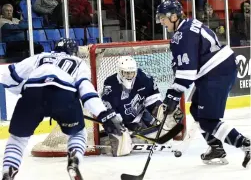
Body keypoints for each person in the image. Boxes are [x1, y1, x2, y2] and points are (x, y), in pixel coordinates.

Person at [0, 38, 124, 180]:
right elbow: (86, 90)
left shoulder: (39, 57)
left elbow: (7, 78)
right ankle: (73, 162)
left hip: (32, 93)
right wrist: (103, 113)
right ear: (73, 52)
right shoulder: (78, 62)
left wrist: (25, 90)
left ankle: (8, 171)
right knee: (78, 134)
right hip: (64, 95)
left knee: (17, 139)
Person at [156, 0, 250, 167]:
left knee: (208, 120)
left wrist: (172, 96)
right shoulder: (189, 24)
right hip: (217, 68)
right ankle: (216, 148)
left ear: (174, 16)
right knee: (196, 110)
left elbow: (187, 74)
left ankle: (246, 145)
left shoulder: (182, 36)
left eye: (163, 17)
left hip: (216, 71)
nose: (161, 21)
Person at [100, 56, 181, 157]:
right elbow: (107, 111)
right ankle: (118, 137)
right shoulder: (110, 85)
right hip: (120, 121)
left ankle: (136, 135)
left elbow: (153, 102)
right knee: (122, 150)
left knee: (165, 134)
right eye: (126, 73)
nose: (129, 75)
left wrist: (163, 112)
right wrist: (118, 127)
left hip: (140, 118)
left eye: (132, 72)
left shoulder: (144, 79)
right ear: (119, 71)